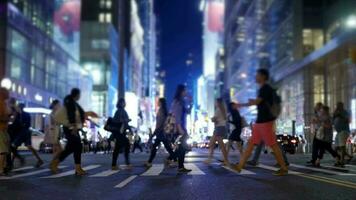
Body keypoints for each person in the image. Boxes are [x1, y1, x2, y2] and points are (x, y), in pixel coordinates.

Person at [234, 69, 288, 176]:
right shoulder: (262, 89)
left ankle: (283, 167)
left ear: (263, 76)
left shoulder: (265, 88)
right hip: (260, 122)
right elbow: (258, 102)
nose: (256, 77)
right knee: (251, 144)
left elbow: (257, 102)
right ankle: (240, 166)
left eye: (257, 75)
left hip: (265, 121)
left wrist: (242, 105)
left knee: (272, 144)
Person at [50, 88, 87, 175]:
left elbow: (79, 115)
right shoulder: (70, 103)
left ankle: (76, 167)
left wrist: (79, 128)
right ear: (77, 95)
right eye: (79, 94)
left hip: (72, 127)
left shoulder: (73, 103)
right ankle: (55, 164)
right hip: (70, 127)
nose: (80, 96)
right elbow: (71, 115)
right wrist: (74, 127)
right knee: (75, 146)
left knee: (74, 147)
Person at [145, 98, 176, 167]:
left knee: (156, 147)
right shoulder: (164, 111)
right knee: (166, 147)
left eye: (158, 102)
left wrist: (154, 132)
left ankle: (149, 161)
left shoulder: (161, 111)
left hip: (160, 131)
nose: (157, 103)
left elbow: (159, 123)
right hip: (162, 131)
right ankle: (173, 158)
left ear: (161, 103)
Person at [12, 103, 44, 168]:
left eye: (18, 107)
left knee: (14, 147)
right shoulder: (22, 114)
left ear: (19, 108)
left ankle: (12, 163)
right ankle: (39, 160)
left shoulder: (21, 115)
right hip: (25, 132)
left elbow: (18, 124)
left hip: (23, 133)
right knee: (28, 147)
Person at [171, 84, 192, 173]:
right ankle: (173, 159)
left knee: (182, 147)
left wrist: (191, 102)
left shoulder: (182, 101)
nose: (186, 92)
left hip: (182, 126)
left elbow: (188, 112)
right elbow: (176, 116)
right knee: (183, 147)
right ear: (181, 91)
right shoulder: (177, 101)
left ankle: (178, 164)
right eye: (185, 90)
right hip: (179, 127)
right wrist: (179, 128)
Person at [204, 98, 229, 165]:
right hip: (220, 128)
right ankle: (210, 159)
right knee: (212, 143)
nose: (215, 103)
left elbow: (214, 119)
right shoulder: (223, 109)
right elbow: (223, 119)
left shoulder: (218, 110)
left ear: (218, 102)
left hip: (219, 128)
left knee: (220, 145)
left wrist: (212, 118)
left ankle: (226, 160)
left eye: (216, 102)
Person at [111, 98, 132, 170]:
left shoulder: (120, 111)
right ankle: (127, 162)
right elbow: (119, 121)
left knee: (117, 148)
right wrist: (126, 120)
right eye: (123, 102)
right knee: (126, 145)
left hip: (120, 132)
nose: (124, 103)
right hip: (120, 132)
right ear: (120, 103)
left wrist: (129, 128)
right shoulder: (120, 111)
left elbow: (123, 122)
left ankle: (114, 164)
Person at [0, 88, 10, 175]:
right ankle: (1, 169)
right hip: (1, 129)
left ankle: (3, 167)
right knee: (2, 151)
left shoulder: (4, 103)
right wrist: (7, 118)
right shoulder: (1, 103)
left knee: (4, 150)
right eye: (7, 92)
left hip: (4, 129)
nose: (8, 94)